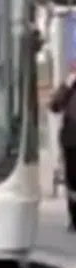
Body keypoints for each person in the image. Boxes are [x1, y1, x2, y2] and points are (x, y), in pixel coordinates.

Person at [50, 66, 76, 231]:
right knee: (73, 183)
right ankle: (74, 219)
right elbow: (55, 106)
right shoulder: (69, 87)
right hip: (72, 143)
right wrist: (67, 84)